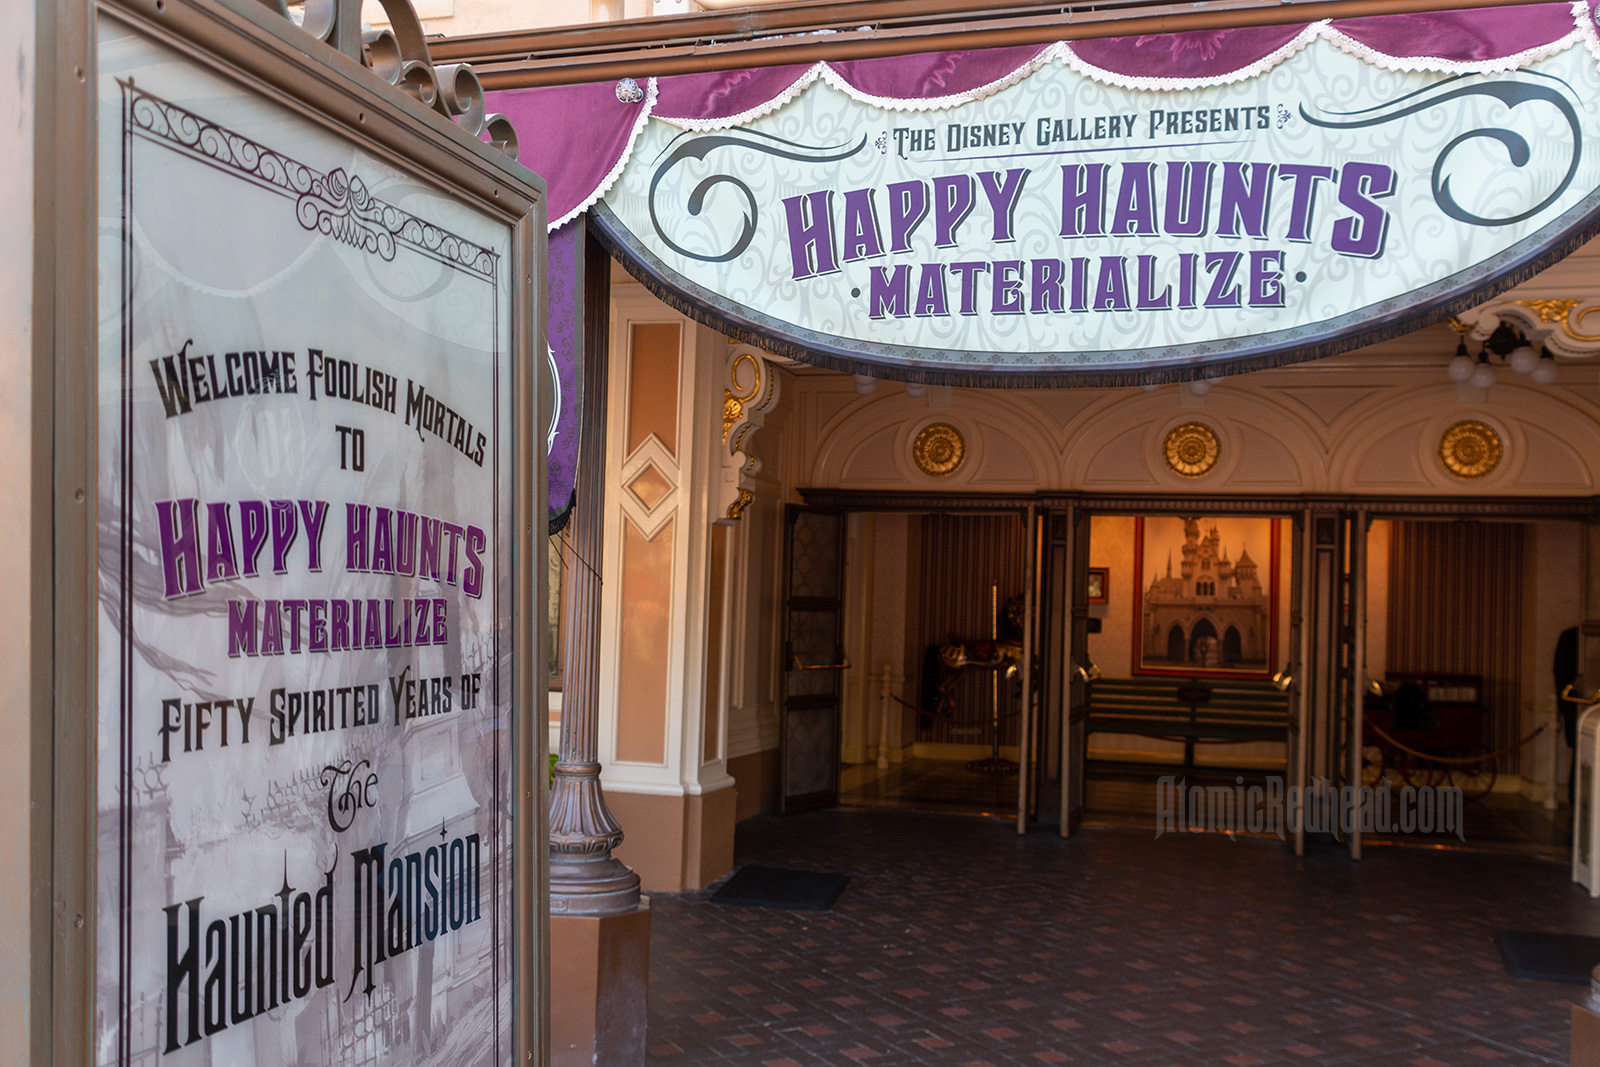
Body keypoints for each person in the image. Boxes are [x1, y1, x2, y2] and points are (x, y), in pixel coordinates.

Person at [1556, 625, 1581, 807]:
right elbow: (1561, 674)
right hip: (1577, 708)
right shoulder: (1573, 636)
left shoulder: (1573, 636)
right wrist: (1566, 707)